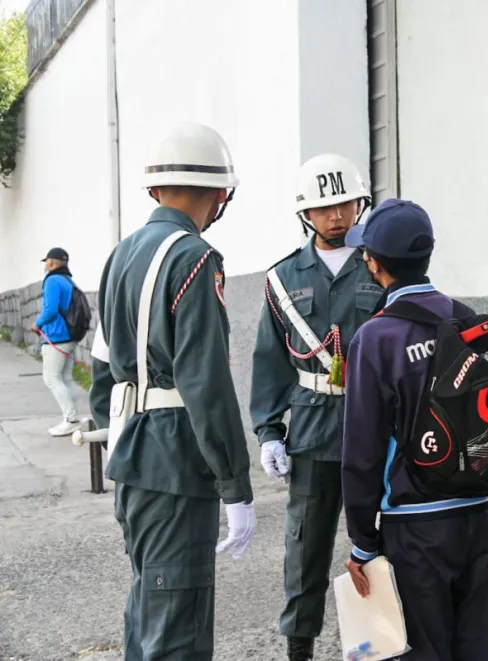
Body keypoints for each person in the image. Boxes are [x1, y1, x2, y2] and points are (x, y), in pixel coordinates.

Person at [94, 122, 256, 660]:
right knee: (177, 633)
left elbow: (102, 372)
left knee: (147, 611)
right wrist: (235, 482)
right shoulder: (194, 258)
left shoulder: (121, 255)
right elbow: (206, 385)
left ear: (155, 189)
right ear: (219, 194)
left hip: (132, 453)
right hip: (177, 465)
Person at [341, 199, 488, 661]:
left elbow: (362, 452)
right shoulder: (466, 318)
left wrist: (362, 542)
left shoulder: (375, 338)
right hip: (474, 514)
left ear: (374, 263)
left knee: (423, 650)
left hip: (413, 524)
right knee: (474, 650)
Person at [249, 153, 382, 661]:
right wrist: (268, 432)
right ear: (306, 213)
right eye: (325, 207)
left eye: (345, 204)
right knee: (304, 549)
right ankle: (300, 647)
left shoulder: (378, 263)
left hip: (374, 428)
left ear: (359, 203)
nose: (336, 216)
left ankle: (378, 641)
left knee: (377, 543)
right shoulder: (284, 278)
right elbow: (269, 360)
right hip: (311, 430)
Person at [33, 247, 81, 436]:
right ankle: (72, 416)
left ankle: (70, 419)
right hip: (68, 336)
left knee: (52, 378)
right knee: (66, 378)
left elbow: (50, 309)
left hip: (56, 337)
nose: (45, 265)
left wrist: (36, 324)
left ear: (51, 263)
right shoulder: (67, 280)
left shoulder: (52, 280)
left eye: (46, 262)